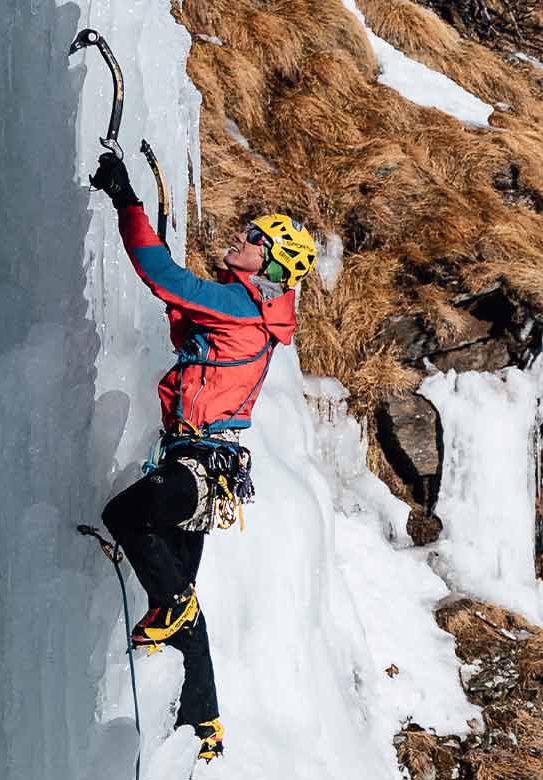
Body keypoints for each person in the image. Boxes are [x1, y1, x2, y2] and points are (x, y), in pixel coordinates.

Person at [88, 152, 316, 762]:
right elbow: (188, 319)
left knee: (127, 518)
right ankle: (203, 724)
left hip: (196, 467)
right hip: (210, 470)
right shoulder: (253, 314)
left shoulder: (244, 307)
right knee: (184, 599)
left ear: (267, 261)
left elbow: (163, 275)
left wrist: (126, 203)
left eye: (252, 239)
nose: (240, 239)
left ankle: (171, 603)